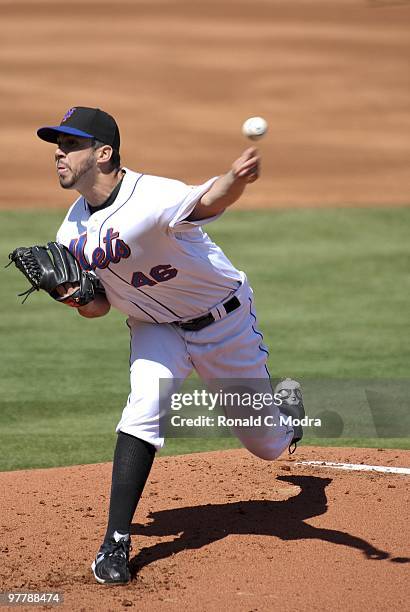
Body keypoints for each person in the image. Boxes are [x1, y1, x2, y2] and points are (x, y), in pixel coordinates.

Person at [36, 106, 304, 585]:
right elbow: (97, 307)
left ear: (103, 154)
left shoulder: (153, 195)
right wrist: (71, 295)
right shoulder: (69, 232)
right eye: (58, 145)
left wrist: (236, 177)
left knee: (266, 445)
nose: (59, 153)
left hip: (224, 324)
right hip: (154, 327)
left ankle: (286, 411)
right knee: (144, 405)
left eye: (71, 145)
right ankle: (115, 543)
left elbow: (209, 199)